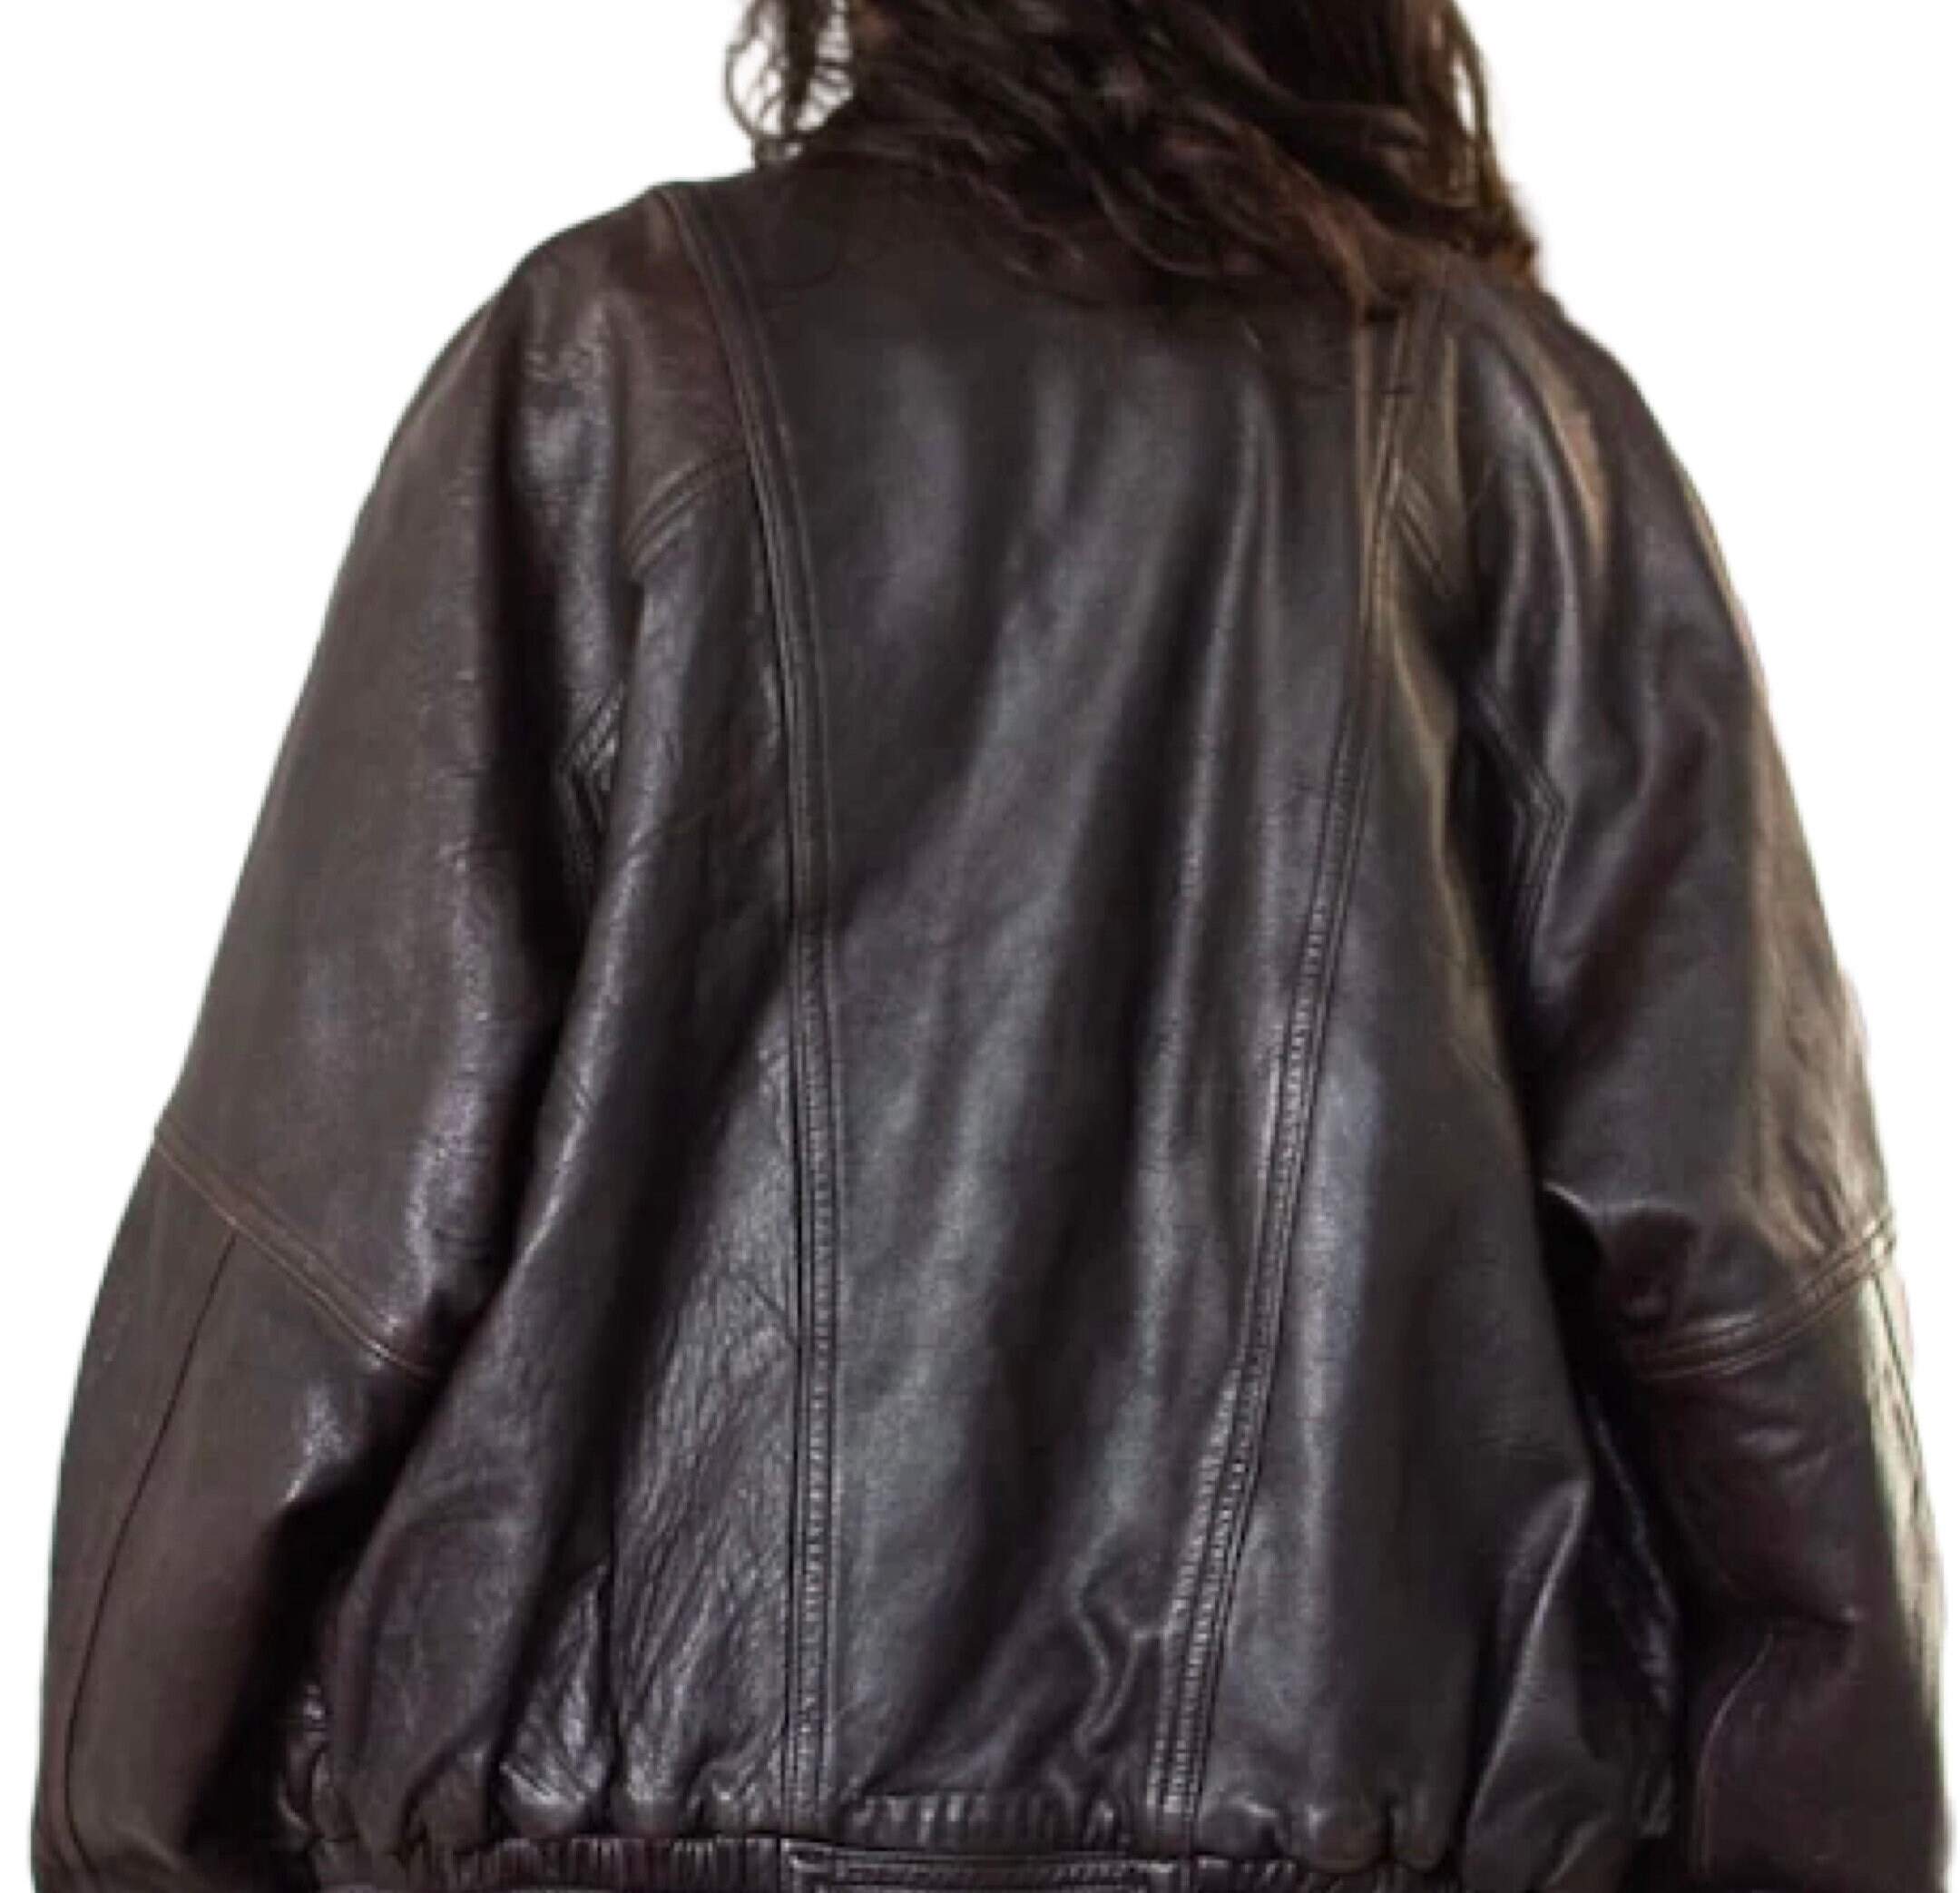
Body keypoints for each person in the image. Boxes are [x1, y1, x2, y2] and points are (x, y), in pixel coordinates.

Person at [31, 5, 1946, 1893]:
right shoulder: (1519, 438)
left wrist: (136, 1830)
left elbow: (301, 1241)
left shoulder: (615, 362)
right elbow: (1752, 1302)